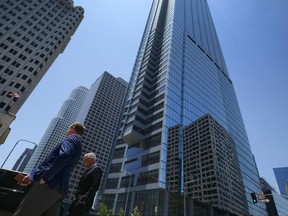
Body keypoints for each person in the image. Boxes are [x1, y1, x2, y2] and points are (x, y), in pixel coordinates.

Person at [13, 122, 85, 216]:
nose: (66, 131)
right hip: (58, 190)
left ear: (73, 127)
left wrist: (45, 177)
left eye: (68, 128)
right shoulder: (79, 144)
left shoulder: (72, 138)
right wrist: (32, 176)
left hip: (48, 186)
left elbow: (64, 156)